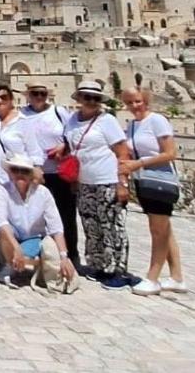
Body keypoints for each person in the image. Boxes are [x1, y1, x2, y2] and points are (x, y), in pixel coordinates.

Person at [60, 80, 131, 289]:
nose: (91, 101)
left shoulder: (107, 121)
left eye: (95, 98)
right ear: (79, 98)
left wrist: (123, 183)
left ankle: (116, 270)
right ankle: (98, 266)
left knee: (112, 226)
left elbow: (123, 152)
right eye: (87, 97)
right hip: (84, 183)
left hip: (107, 181)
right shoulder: (73, 120)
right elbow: (70, 146)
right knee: (91, 226)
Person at [120, 88, 186, 296]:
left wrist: (139, 163)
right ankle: (177, 277)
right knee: (164, 229)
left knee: (157, 231)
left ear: (146, 100)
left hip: (160, 181)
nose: (134, 106)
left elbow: (170, 153)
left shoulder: (157, 120)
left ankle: (153, 278)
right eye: (129, 102)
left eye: (138, 101)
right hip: (144, 181)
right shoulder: (132, 125)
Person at [0, 154, 78, 294]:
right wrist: (16, 248)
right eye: (15, 170)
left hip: (34, 238)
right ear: (10, 172)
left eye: (24, 171)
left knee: (35, 253)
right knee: (3, 233)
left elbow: (56, 227)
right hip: (12, 237)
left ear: (31, 174)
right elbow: (0, 221)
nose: (20, 174)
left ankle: (23, 263)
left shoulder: (44, 193)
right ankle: (10, 265)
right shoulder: (3, 189)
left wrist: (64, 256)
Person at [18, 81, 79, 266]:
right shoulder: (22, 115)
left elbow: (73, 134)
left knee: (65, 215)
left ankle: (70, 255)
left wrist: (63, 145)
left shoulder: (59, 112)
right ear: (27, 95)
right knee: (37, 216)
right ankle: (43, 256)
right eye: (35, 93)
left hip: (59, 172)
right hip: (33, 173)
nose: (39, 97)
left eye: (42, 94)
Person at [0, 84, 43, 192]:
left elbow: (34, 151)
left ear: (11, 99)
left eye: (4, 97)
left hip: (18, 178)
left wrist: (36, 171)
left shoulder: (23, 121)